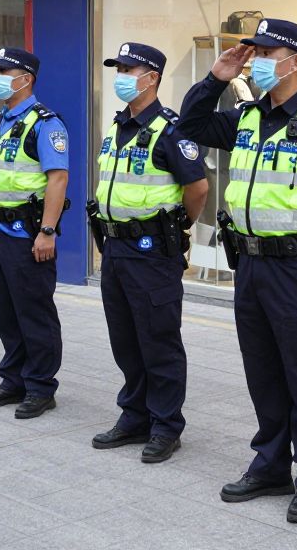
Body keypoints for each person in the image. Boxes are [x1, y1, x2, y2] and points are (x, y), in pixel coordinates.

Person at [177, 19, 297, 524]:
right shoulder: (245, 116)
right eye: (254, 51)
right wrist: (216, 78)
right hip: (251, 266)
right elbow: (189, 127)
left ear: (295, 62)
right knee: (262, 371)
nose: (256, 59)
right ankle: (270, 465)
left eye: (267, 51)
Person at [90, 43, 208, 464]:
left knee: (158, 341)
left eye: (128, 68)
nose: (120, 74)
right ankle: (134, 415)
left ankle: (165, 425)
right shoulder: (118, 126)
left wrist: (177, 227)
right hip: (116, 249)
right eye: (118, 67)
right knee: (125, 339)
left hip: (153, 252)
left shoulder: (171, 129)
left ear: (152, 77)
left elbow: (198, 188)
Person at [0, 47, 69, 420]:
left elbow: (58, 178)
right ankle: (13, 379)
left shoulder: (46, 123)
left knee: (34, 312)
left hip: (27, 235)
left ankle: (41, 386)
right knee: (6, 312)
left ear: (26, 78)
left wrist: (47, 231)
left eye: (3, 70)